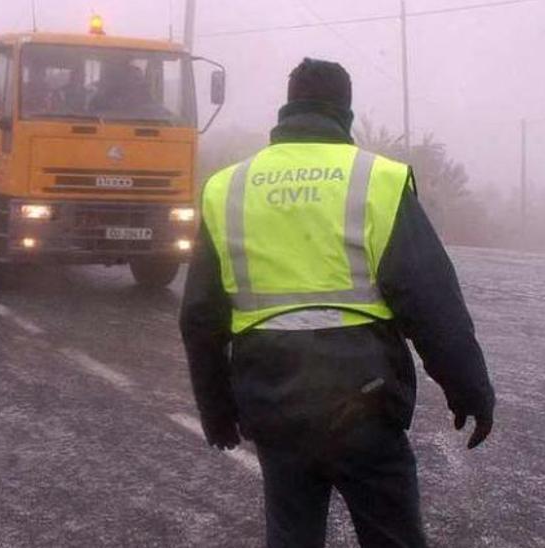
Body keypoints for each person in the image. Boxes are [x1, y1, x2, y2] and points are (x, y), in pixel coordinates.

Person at [179, 58, 496, 548]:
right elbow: (431, 301)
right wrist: (469, 388)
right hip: (363, 402)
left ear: (287, 109)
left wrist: (216, 408)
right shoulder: (377, 181)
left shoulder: (228, 188)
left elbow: (200, 317)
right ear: (345, 113)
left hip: (273, 400)